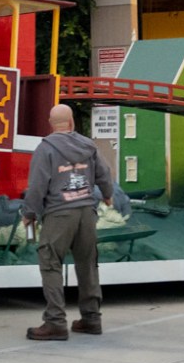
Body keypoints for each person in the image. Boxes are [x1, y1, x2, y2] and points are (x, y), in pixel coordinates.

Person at [21, 103, 114, 341]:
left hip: (60, 213)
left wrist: (29, 212)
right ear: (72, 122)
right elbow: (104, 172)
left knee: (50, 262)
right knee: (87, 263)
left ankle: (55, 322)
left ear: (51, 124)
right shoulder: (89, 145)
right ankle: (91, 319)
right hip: (86, 211)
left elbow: (37, 185)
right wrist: (107, 194)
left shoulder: (46, 149)